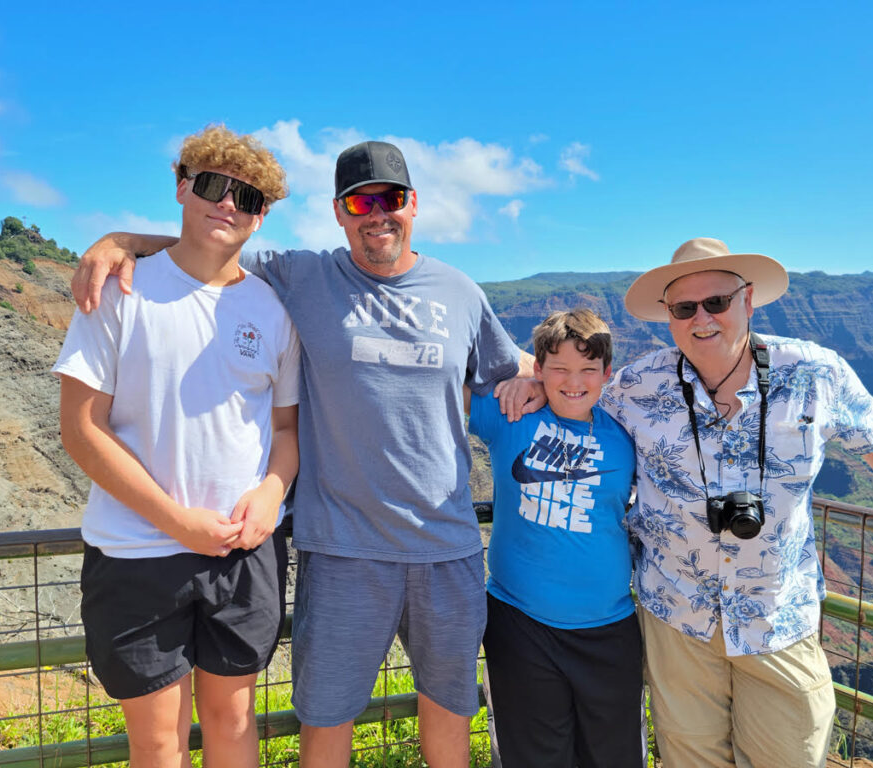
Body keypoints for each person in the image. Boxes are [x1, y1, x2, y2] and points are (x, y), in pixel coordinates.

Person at [69, 140, 536, 768]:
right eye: (360, 201)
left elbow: (512, 373)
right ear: (339, 213)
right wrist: (120, 239)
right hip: (341, 549)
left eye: (390, 199)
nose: (378, 214)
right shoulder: (300, 275)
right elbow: (212, 243)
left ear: (414, 205)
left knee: (447, 718)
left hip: (445, 550)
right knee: (323, 719)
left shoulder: (460, 291)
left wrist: (574, 375)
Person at [601, 237, 873, 768]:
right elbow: (573, 400)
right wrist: (530, 384)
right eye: (685, 308)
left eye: (716, 302)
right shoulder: (634, 387)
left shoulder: (813, 371)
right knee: (690, 757)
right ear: (668, 315)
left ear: (748, 300)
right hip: (677, 616)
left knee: (790, 755)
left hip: (777, 615)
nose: (702, 319)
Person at [54, 125, 301, 767]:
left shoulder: (274, 311)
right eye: (214, 185)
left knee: (234, 725)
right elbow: (81, 428)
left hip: (243, 550)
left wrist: (272, 492)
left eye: (246, 199)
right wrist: (174, 522)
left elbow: (284, 431)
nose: (227, 204)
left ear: (261, 215)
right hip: (138, 552)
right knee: (158, 742)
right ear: (182, 185)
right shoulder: (119, 290)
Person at [467, 308, 645, 768]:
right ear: (539, 367)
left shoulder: (627, 433)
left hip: (608, 628)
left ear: (607, 373)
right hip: (521, 625)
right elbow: (437, 384)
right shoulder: (510, 414)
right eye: (559, 369)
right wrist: (522, 381)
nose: (574, 381)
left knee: (614, 757)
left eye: (588, 369)